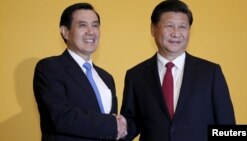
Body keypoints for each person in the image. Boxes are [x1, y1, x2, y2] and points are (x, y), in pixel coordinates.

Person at [120, 0, 235, 141]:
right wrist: (117, 127)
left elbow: (227, 126)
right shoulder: (136, 75)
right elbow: (131, 123)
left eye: (182, 27)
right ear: (153, 29)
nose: (176, 33)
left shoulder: (211, 73)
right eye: (169, 26)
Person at [33, 3, 127, 141]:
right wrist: (113, 124)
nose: (91, 31)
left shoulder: (106, 78)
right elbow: (61, 117)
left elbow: (113, 128)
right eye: (82, 25)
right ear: (65, 32)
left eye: (95, 25)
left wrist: (121, 127)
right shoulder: (50, 68)